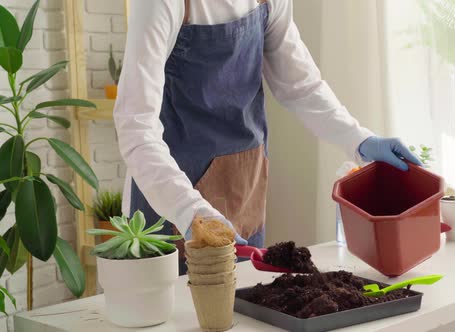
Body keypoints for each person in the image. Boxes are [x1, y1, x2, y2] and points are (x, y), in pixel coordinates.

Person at [114, 0, 422, 274]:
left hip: (243, 184)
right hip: (170, 196)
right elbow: (136, 127)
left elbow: (302, 87)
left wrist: (359, 140)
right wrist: (189, 211)